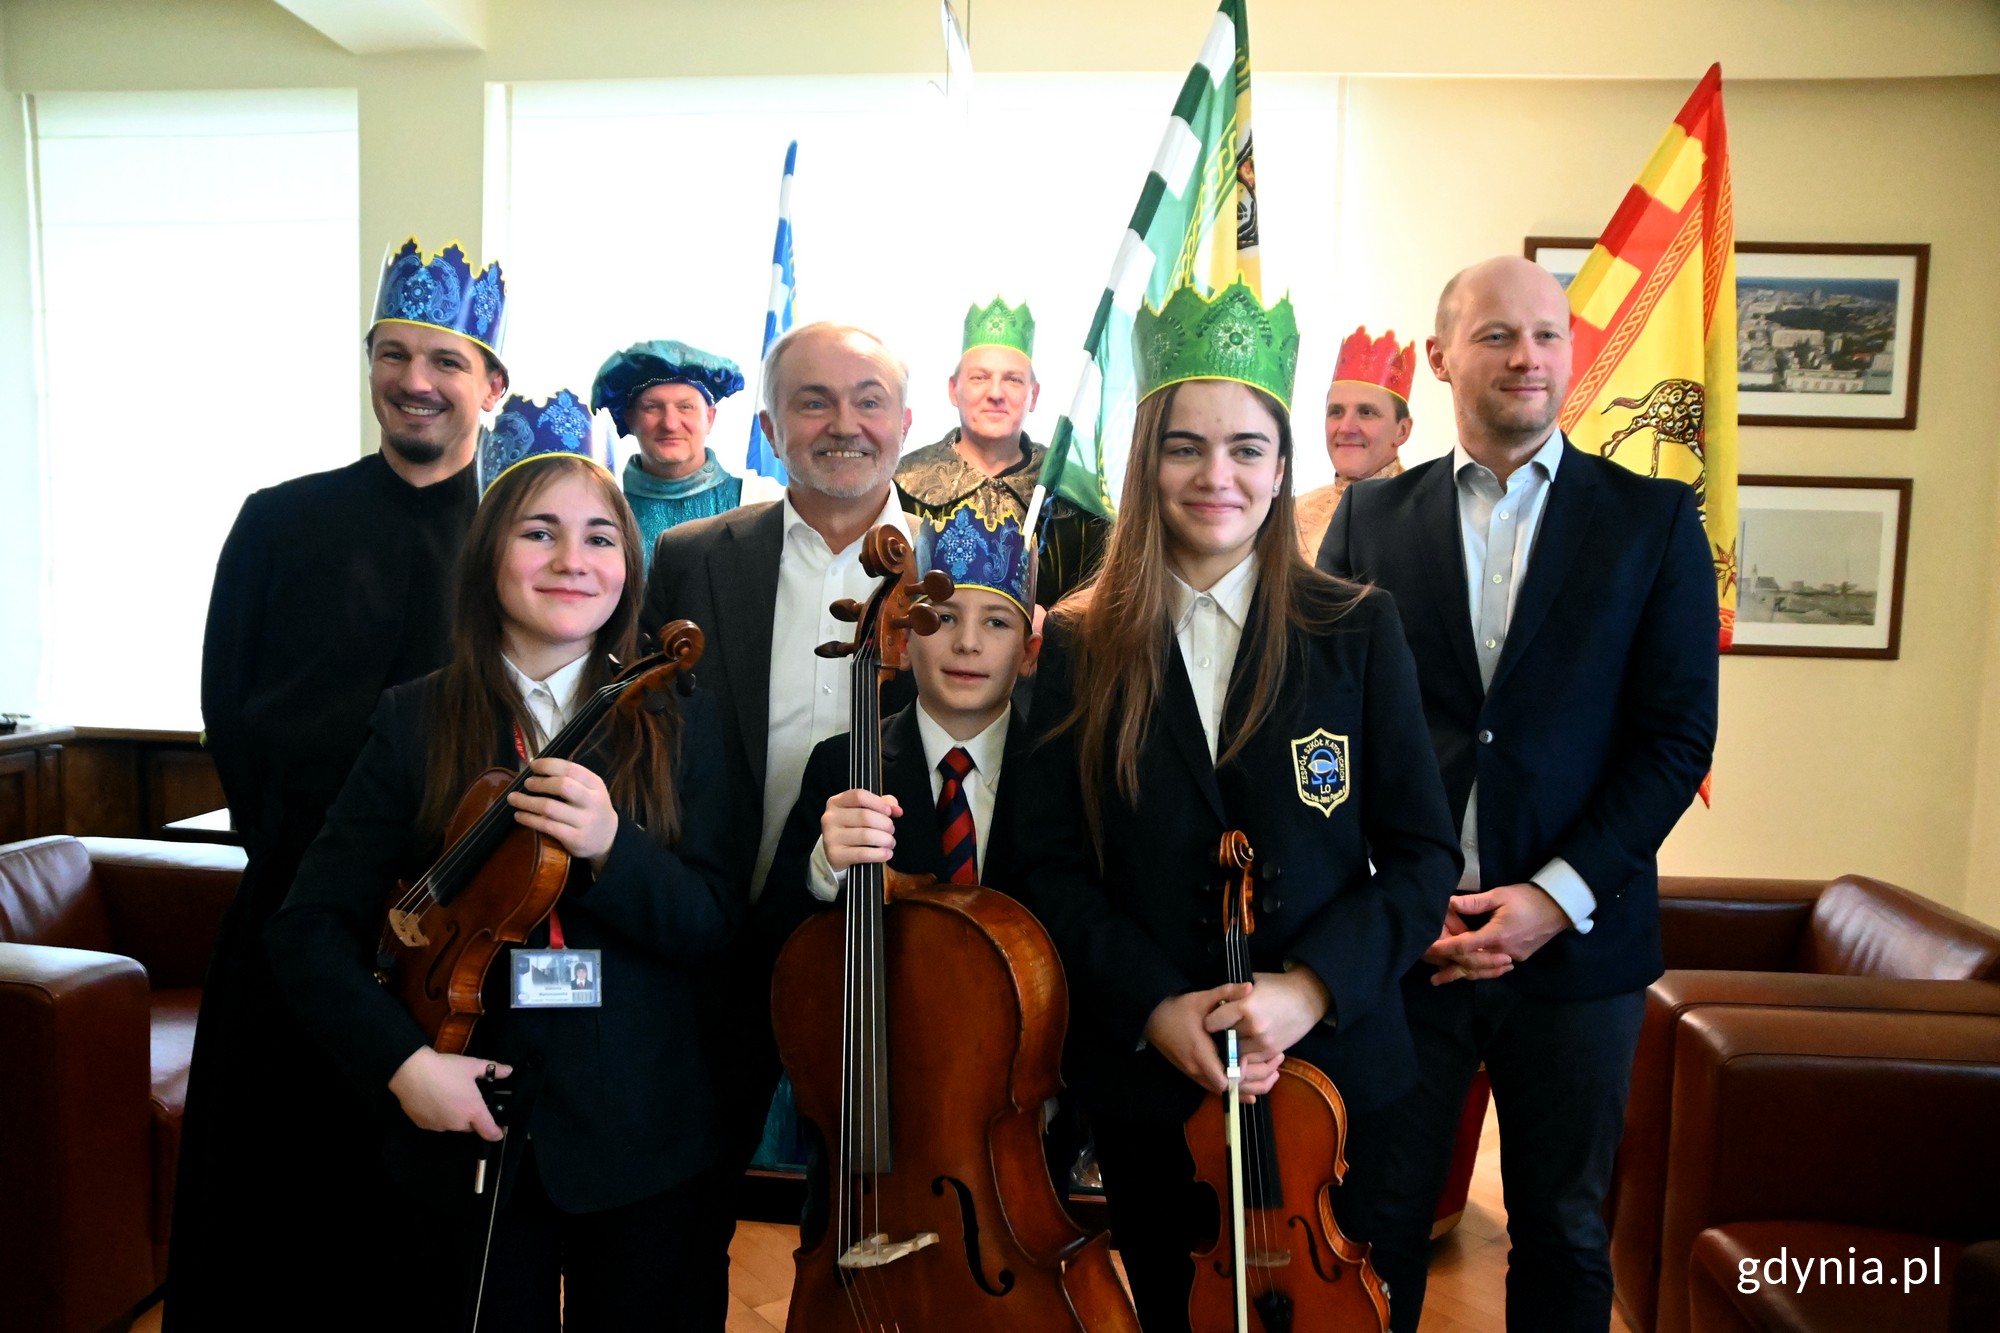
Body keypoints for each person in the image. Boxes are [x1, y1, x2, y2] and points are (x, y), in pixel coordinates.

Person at [1009, 278, 1461, 1333]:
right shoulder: (1079, 642)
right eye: (1184, 446)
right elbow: (1048, 866)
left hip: (1341, 1077)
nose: (1216, 475)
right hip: (1154, 1081)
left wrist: (1309, 988)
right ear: (1143, 460)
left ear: (1279, 465)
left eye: (1246, 448)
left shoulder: (1355, 628)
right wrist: (1157, 1008)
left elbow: (1421, 852)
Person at [264, 398, 739, 1328]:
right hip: (462, 1116)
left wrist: (613, 847)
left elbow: (715, 925)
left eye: (601, 537)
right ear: (488, 555)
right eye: (540, 531)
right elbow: (306, 930)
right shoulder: (414, 719)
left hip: (642, 1131)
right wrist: (404, 1065)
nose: (572, 560)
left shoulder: (680, 720)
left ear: (629, 569)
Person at [1316, 255, 1718, 1333]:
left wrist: (1552, 896)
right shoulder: (1367, 521)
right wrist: (1393, 893)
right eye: (1496, 335)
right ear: (1443, 355)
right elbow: (1330, 737)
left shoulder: (1650, 519)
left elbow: (1676, 738)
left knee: (1561, 1230)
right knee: (1371, 1224)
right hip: (1406, 949)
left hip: (1579, 952)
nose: (1525, 357)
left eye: (1546, 335)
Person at [170, 238, 510, 1327]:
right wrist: (306, 869)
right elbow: (230, 710)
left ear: (490, 384)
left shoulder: (521, 540)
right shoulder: (280, 519)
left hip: (458, 938)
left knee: (417, 1240)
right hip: (292, 915)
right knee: (262, 1217)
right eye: (393, 354)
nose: (416, 380)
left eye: (446, 361)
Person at [638, 320, 915, 1325]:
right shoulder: (690, 557)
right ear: (767, 426)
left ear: (905, 421)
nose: (843, 424)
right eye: (812, 401)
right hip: (718, 936)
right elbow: (648, 744)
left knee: (861, 1223)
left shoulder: (962, 570)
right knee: (682, 1211)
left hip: (895, 958)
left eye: (867, 399)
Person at [761, 499, 1041, 949]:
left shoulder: (1059, 773)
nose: (968, 643)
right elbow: (770, 943)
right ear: (904, 642)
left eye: (996, 621)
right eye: (943, 617)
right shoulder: (842, 765)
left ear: (1028, 654)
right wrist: (822, 871)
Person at [896, 296, 1107, 610]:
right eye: (979, 377)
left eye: (1012, 380)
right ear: (954, 390)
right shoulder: (902, 484)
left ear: (1032, 396)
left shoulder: (1074, 494)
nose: (995, 394)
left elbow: (1106, 600)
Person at [590, 339, 779, 570]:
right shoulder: (603, 508)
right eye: (652, 407)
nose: (670, 424)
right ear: (630, 419)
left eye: (685, 407)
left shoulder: (759, 503)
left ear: (709, 418)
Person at [1294, 326, 1417, 558]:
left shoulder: (1426, 515)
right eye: (1336, 412)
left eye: (1367, 412)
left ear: (1402, 430)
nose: (1346, 428)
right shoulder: (1293, 515)